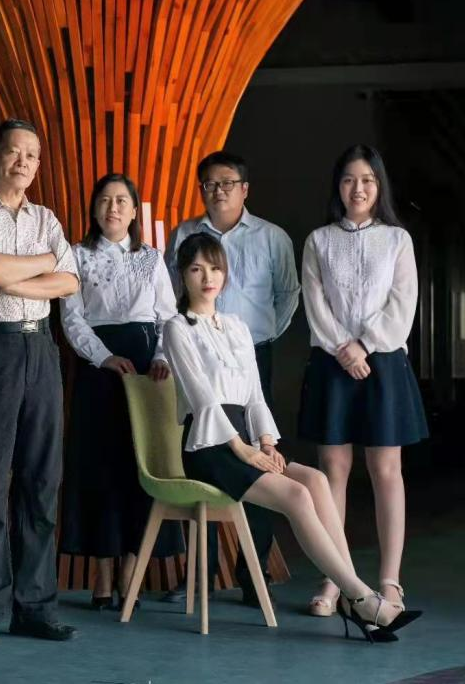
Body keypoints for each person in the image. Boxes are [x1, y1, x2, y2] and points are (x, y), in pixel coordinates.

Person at [164, 232, 421, 642]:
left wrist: (266, 443)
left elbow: (254, 396)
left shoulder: (236, 327)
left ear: (225, 274)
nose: (208, 278)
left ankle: (351, 594)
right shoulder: (177, 329)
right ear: (182, 276)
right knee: (297, 496)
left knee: (316, 480)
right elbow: (203, 399)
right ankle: (360, 598)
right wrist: (244, 450)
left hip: (248, 441)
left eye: (215, 268)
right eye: (196, 269)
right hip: (210, 446)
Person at [0, 118, 80, 645]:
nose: (23, 162)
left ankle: (35, 606)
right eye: (14, 152)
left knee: (42, 480)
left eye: (32, 156)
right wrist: (43, 264)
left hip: (40, 348)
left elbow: (69, 280)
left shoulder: (46, 218)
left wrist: (21, 275)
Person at [162, 150, 299, 604]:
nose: (218, 191)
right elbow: (169, 293)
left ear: (245, 189)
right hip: (197, 353)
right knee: (210, 460)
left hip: (250, 355)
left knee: (260, 459)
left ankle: (253, 572)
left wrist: (259, 336)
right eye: (210, 184)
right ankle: (199, 574)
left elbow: (288, 294)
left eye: (227, 183)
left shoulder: (272, 237)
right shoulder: (184, 234)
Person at [299, 144, 429, 617]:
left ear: (379, 187)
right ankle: (337, 579)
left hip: (384, 362)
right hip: (332, 360)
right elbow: (314, 302)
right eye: (350, 179)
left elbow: (403, 303)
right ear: (338, 186)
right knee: (332, 470)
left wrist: (366, 345)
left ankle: (390, 583)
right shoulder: (318, 240)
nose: (358, 188)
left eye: (368, 180)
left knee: (386, 470)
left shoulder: (397, 240)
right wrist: (344, 347)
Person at [58, 173, 183, 609]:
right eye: (105, 200)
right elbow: (72, 318)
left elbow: (168, 317)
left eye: (122, 201)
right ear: (94, 209)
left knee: (138, 467)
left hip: (148, 371)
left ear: (133, 211)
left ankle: (131, 570)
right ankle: (103, 575)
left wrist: (163, 357)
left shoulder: (151, 258)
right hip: (99, 369)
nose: (113, 208)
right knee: (100, 467)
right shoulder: (76, 255)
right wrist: (103, 356)